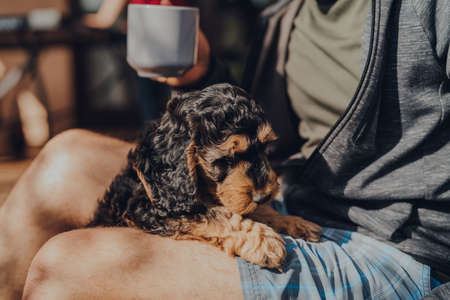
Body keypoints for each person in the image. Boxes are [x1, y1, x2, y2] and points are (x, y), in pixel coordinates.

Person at [0, 0, 449, 299]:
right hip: (291, 201)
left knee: (65, 270)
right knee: (64, 159)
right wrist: (201, 74)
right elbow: (247, 139)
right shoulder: (287, 15)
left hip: (398, 250)